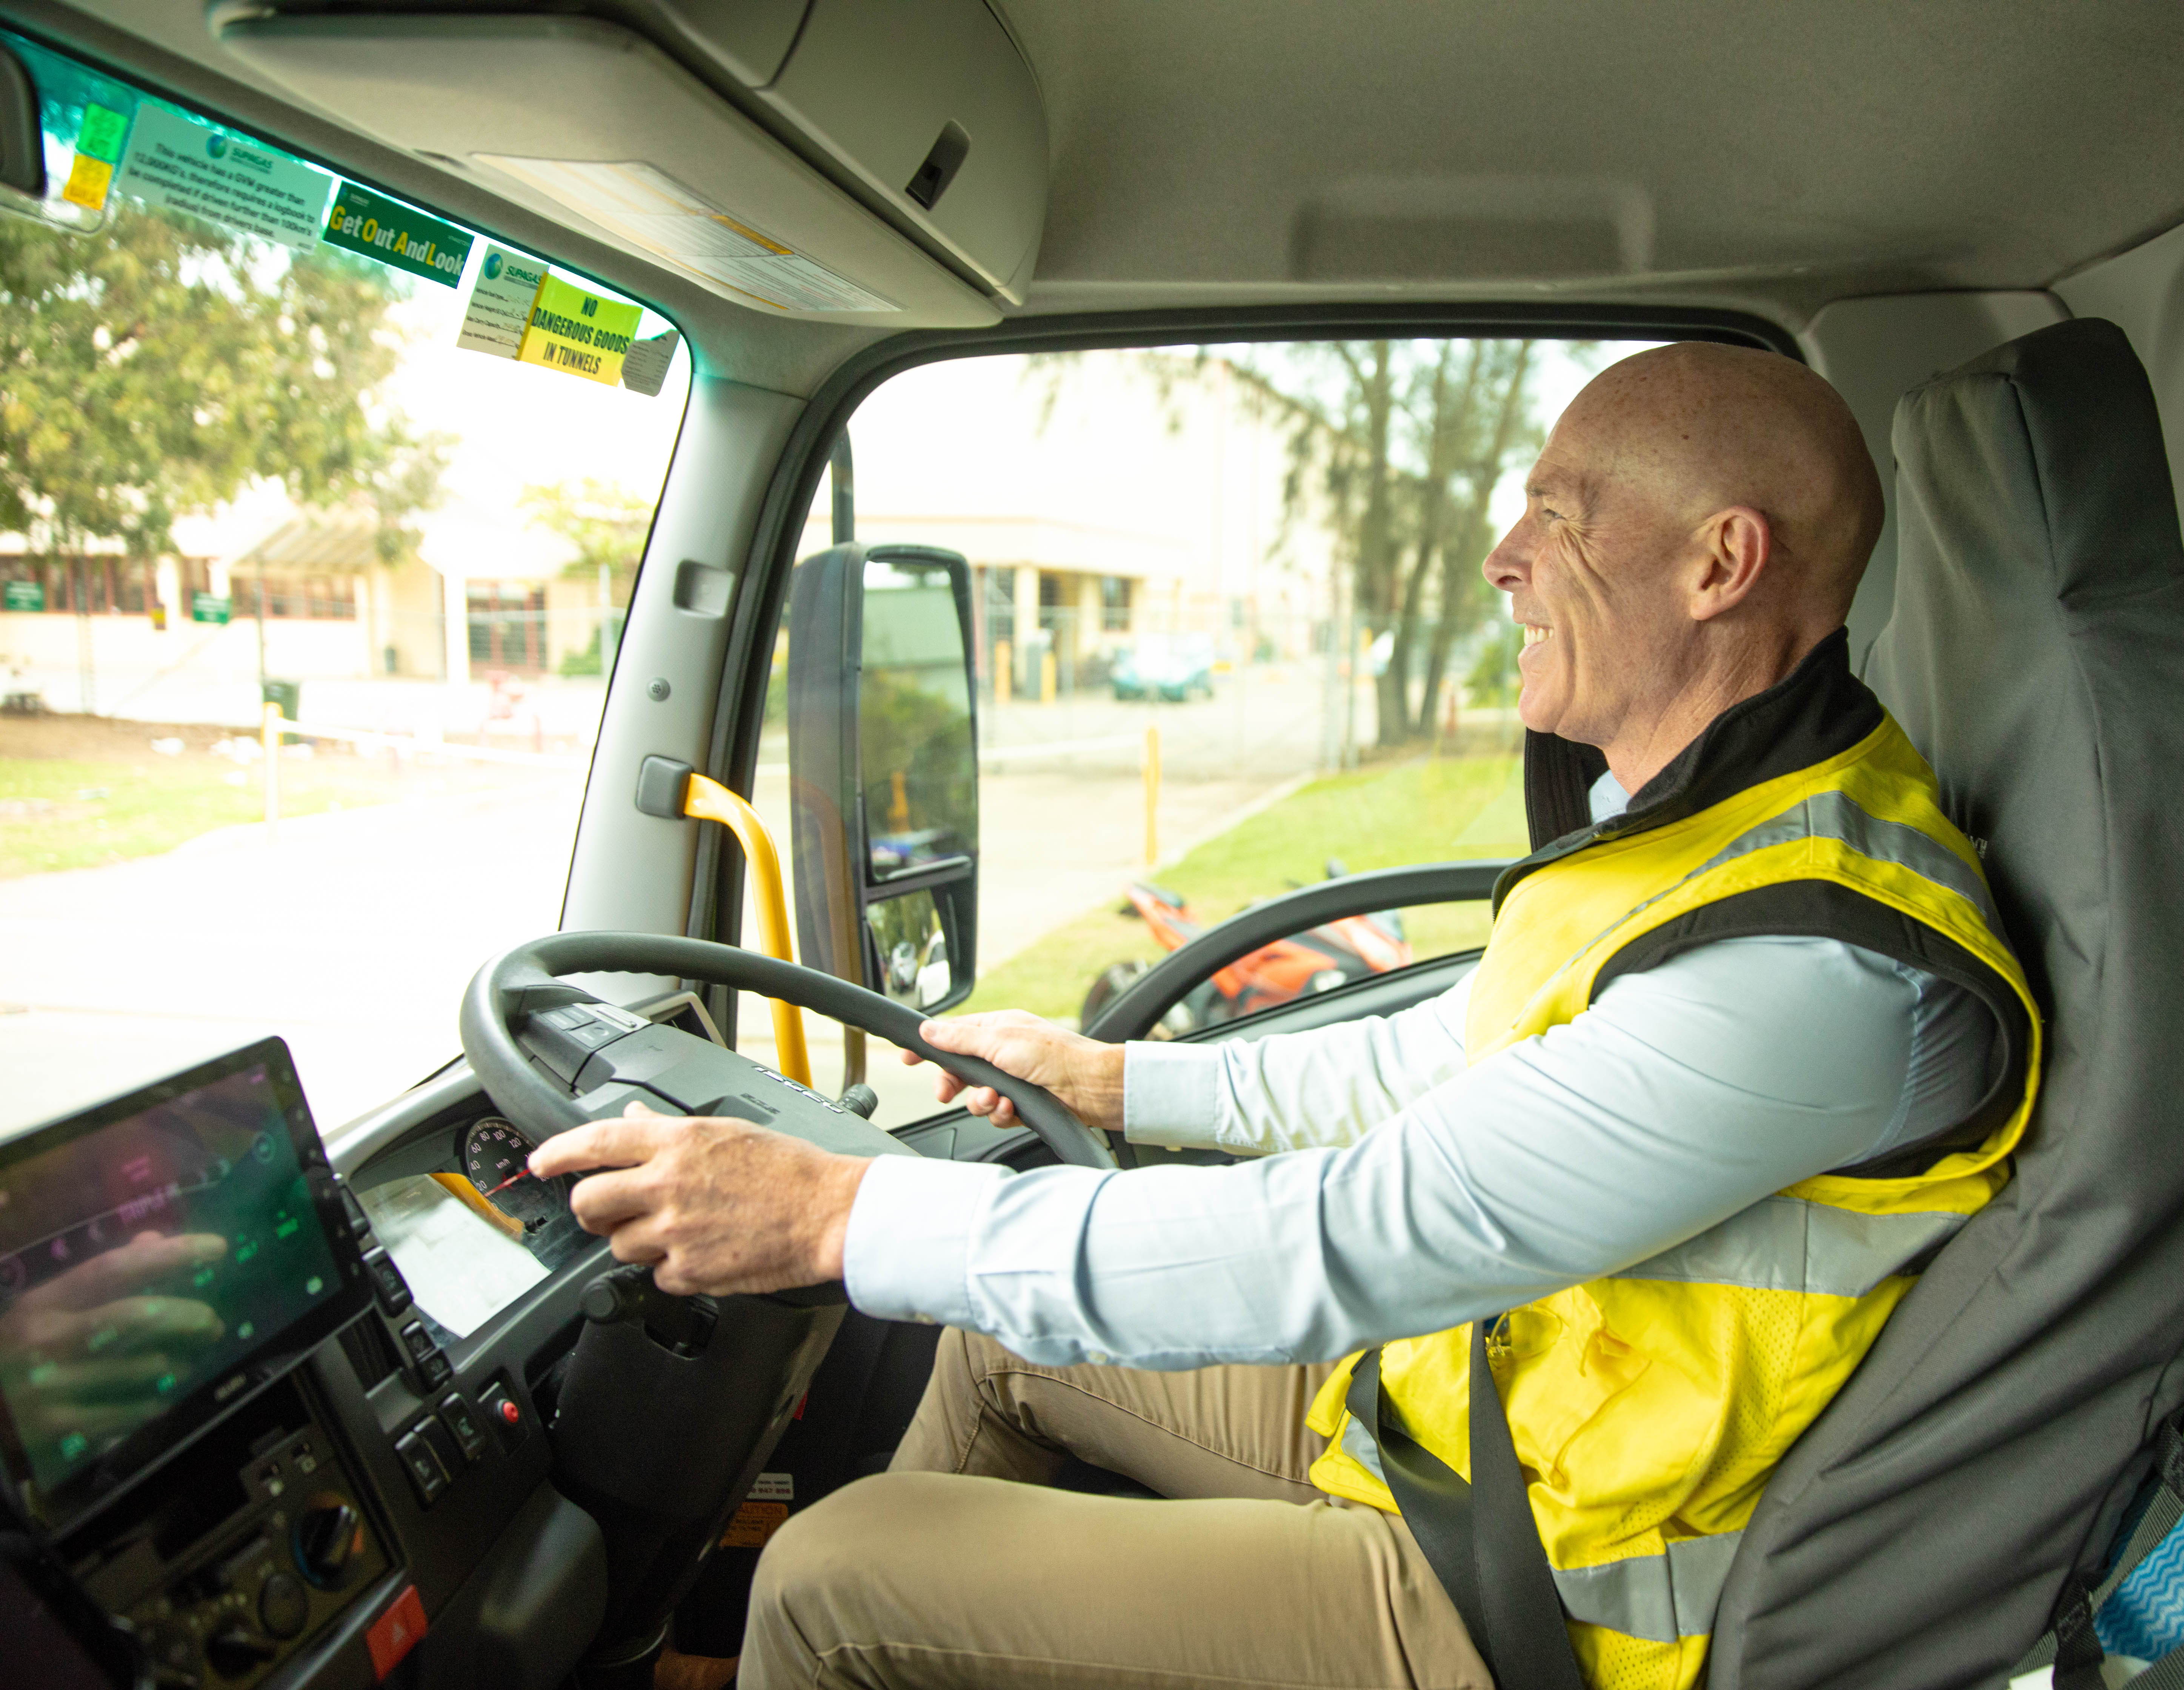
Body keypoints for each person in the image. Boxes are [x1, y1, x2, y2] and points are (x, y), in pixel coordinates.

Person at [530, 341, 2042, 1690]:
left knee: (828, 1577)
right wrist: (1113, 1079)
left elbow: (1361, 1236)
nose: (1505, 555)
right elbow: (1445, 1052)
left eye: (1561, 510)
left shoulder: (1820, 974)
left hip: (1519, 1597)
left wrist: (846, 1218)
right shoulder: (1718, 834)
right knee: (989, 1345)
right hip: (1453, 1428)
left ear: (1721, 565)